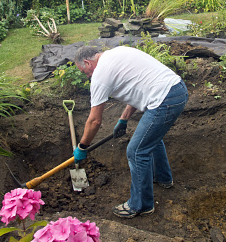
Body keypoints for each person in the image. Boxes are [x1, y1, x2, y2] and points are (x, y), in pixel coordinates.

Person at [73, 45, 188, 218]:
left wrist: (82, 146)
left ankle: (141, 205)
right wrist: (123, 119)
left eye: (84, 72)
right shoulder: (118, 52)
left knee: (136, 151)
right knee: (151, 140)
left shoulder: (100, 75)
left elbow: (95, 120)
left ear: (88, 62)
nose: (87, 76)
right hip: (177, 89)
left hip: (164, 99)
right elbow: (138, 86)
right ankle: (163, 178)